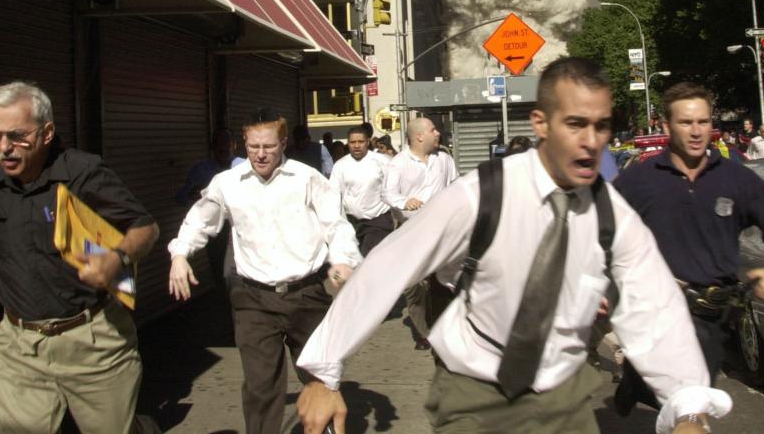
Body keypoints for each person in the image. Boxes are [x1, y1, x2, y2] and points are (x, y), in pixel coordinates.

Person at [296, 58, 731, 434]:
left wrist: (687, 407)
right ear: (540, 122)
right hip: (474, 388)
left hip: (563, 390)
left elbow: (655, 310)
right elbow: (388, 267)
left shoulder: (613, 217)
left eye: (601, 126)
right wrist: (324, 372)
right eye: (575, 123)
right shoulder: (481, 195)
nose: (591, 141)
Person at [0, 81, 160, 434]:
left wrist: (116, 259)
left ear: (47, 132)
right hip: (19, 345)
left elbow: (145, 227)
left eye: (17, 136)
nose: (4, 148)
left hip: (92, 342)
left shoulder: (82, 172)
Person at [167, 108, 361, 434]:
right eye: (253, 146)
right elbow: (200, 219)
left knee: (321, 379)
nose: (260, 154)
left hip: (307, 295)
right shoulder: (227, 183)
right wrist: (180, 254)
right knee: (260, 389)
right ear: (244, 142)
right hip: (253, 299)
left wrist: (343, 260)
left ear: (283, 143)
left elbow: (335, 224)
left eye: (269, 147)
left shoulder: (307, 178)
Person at [612, 82, 764, 415]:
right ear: (666, 127)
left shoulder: (735, 178)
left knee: (683, 401)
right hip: (656, 314)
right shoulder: (638, 180)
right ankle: (646, 384)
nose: (697, 131)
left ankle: (637, 381)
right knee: (691, 411)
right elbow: (597, 232)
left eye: (703, 122)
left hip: (711, 319)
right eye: (686, 123)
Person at [382, 117, 457, 349]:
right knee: (415, 287)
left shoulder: (444, 159)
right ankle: (425, 333)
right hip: (411, 231)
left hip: (441, 231)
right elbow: (387, 193)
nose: (438, 134)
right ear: (419, 136)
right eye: (433, 130)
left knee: (444, 282)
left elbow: (455, 186)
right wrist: (405, 201)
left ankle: (446, 329)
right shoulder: (399, 163)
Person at [330, 126, 394, 256]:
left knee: (369, 257)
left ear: (368, 142)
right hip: (352, 222)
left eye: (361, 142)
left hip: (378, 220)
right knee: (355, 261)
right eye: (353, 142)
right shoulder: (340, 165)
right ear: (348, 143)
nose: (357, 146)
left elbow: (394, 188)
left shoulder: (382, 161)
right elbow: (334, 194)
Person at [175, 128, 236, 206]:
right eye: (218, 144)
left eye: (226, 143)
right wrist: (192, 194)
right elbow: (181, 198)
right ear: (212, 147)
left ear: (234, 145)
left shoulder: (245, 166)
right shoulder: (201, 170)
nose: (223, 148)